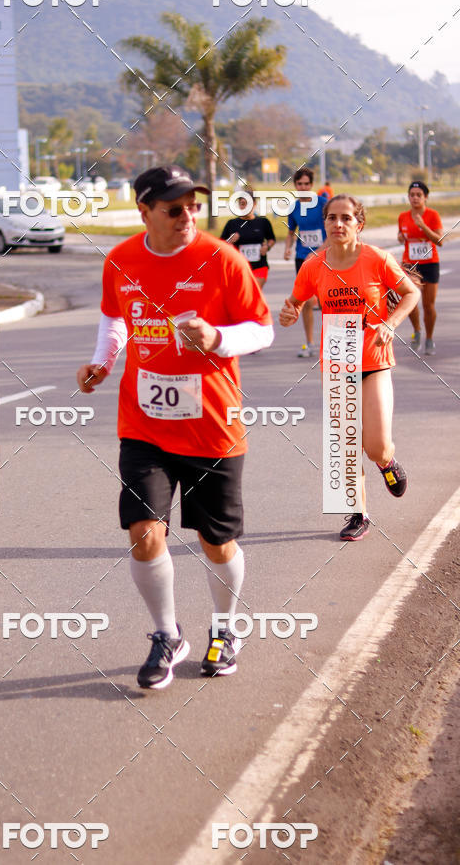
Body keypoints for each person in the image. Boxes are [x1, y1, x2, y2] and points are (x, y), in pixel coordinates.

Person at [77, 165, 274, 689]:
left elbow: (263, 330)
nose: (187, 215)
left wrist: (216, 339)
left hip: (213, 426)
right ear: (145, 211)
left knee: (217, 543)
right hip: (144, 424)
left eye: (193, 205)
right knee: (143, 534)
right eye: (173, 208)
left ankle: (226, 627)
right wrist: (103, 360)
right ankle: (167, 634)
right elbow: (114, 318)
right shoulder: (120, 260)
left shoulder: (221, 257)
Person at [279, 194, 420, 541]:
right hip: (337, 364)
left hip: (373, 362)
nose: (338, 224)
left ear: (359, 224)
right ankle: (357, 513)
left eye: (345, 218)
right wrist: (289, 314)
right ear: (324, 223)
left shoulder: (376, 258)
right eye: (331, 218)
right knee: (343, 443)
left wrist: (390, 324)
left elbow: (410, 294)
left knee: (376, 446)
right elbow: (295, 302)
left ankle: (387, 463)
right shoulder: (314, 265)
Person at [283, 167, 328, 357]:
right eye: (299, 184)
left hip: (325, 257)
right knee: (307, 301)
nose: (303, 187)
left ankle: (331, 342)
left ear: (312, 184)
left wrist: (318, 252)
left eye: (306, 184)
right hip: (302, 258)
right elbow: (291, 231)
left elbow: (332, 230)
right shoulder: (293, 207)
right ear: (295, 185)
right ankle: (309, 343)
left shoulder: (323, 204)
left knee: (328, 301)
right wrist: (287, 247)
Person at [397, 180, 444, 355]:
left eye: (419, 195)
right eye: (412, 195)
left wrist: (423, 226)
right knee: (409, 299)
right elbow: (402, 235)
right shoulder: (403, 216)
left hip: (430, 263)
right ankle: (417, 330)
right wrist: (400, 237)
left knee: (428, 305)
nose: (415, 198)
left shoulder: (432, 215)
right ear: (408, 197)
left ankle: (429, 338)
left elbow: (440, 241)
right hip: (410, 264)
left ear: (425, 197)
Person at [220, 192, 276, 289]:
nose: (245, 207)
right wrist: (230, 240)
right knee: (242, 295)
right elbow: (220, 245)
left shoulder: (263, 222)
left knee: (253, 291)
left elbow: (271, 239)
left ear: (254, 204)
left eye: (248, 203)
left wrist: (267, 246)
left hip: (259, 266)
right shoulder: (232, 224)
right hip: (239, 268)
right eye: (242, 204)